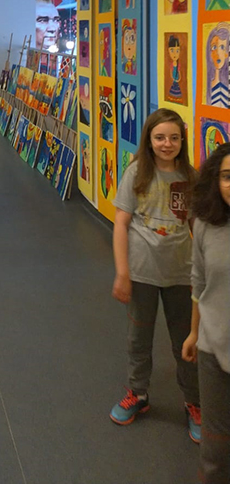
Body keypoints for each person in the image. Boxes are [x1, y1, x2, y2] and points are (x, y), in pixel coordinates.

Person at [109, 108, 201, 442]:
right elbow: (121, 224)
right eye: (160, 137)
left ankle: (194, 402)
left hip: (181, 274)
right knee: (139, 337)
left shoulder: (190, 177)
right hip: (142, 272)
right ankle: (138, 393)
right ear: (149, 139)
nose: (167, 144)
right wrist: (123, 272)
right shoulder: (136, 173)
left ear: (182, 141)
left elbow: (197, 227)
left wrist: (203, 273)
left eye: (174, 138)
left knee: (186, 340)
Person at [182, 144, 230, 484]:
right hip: (214, 345)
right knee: (215, 446)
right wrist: (194, 333)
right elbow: (199, 281)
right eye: (227, 176)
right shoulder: (205, 224)